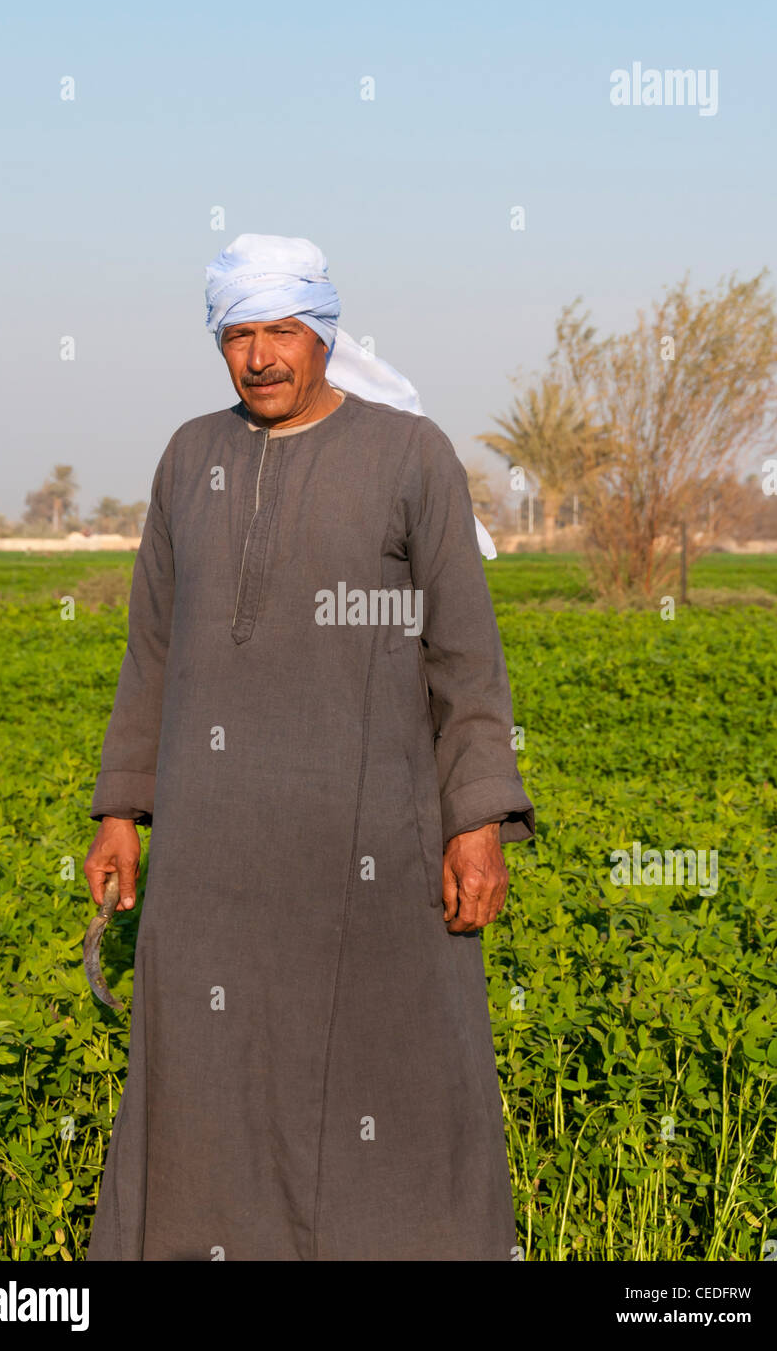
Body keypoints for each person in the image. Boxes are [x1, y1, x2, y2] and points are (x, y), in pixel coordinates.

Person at [83, 233, 535, 1261]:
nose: (259, 357)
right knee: (206, 1081)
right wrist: (121, 808)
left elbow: (465, 657)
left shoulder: (409, 456)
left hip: (370, 854)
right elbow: (149, 647)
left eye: (280, 330)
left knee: (391, 1077)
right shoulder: (188, 457)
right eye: (236, 335)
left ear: (322, 331)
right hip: (211, 865)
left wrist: (476, 822)